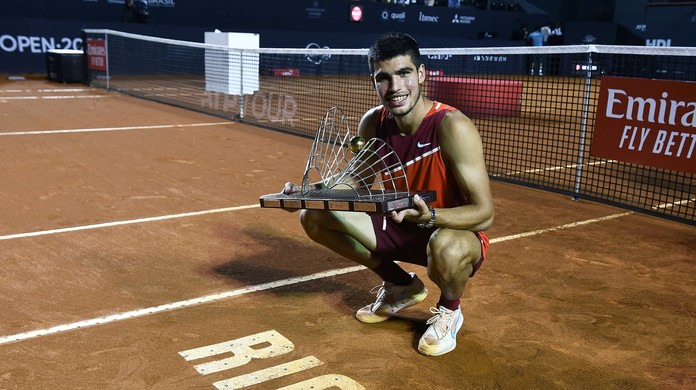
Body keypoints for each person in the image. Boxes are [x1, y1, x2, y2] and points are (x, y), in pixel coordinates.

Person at [282, 31, 494, 356]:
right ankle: (400, 285)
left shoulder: (452, 126)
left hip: (449, 231)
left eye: (404, 73)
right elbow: (354, 182)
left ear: (421, 74)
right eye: (384, 77)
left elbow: (484, 213)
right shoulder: (373, 123)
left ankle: (450, 309)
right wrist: (310, 193)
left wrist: (432, 217)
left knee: (446, 247)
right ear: (374, 81)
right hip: (399, 223)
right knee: (314, 216)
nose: (395, 87)